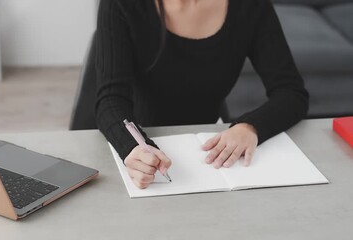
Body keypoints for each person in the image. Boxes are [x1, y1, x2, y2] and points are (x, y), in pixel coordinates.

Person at [94, 0, 309, 189]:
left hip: (206, 150)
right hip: (136, 139)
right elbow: (111, 100)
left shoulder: (251, 5)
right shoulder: (120, 3)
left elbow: (291, 93)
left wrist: (250, 127)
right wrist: (133, 147)